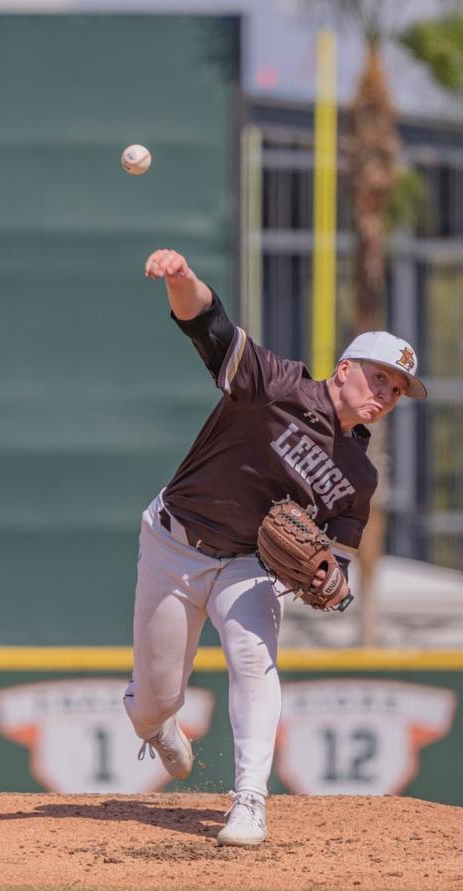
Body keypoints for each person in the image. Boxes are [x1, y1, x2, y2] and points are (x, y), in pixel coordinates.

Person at [124, 248, 426, 846]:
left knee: (255, 660)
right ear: (344, 369)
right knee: (154, 700)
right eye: (379, 377)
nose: (386, 394)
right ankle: (158, 725)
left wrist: (331, 586)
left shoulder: (359, 478)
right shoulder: (275, 384)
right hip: (175, 541)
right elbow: (208, 325)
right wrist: (183, 280)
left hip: (248, 564)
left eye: (396, 390)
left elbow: (336, 570)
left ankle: (250, 801)